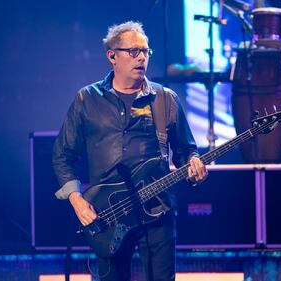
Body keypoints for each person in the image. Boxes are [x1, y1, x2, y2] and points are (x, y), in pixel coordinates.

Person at [52, 21, 208, 281]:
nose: (141, 58)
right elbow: (62, 156)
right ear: (112, 56)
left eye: (145, 51)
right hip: (107, 214)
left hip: (158, 210)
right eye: (133, 51)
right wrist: (76, 200)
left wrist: (194, 164)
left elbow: (186, 150)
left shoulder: (165, 99)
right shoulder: (86, 99)